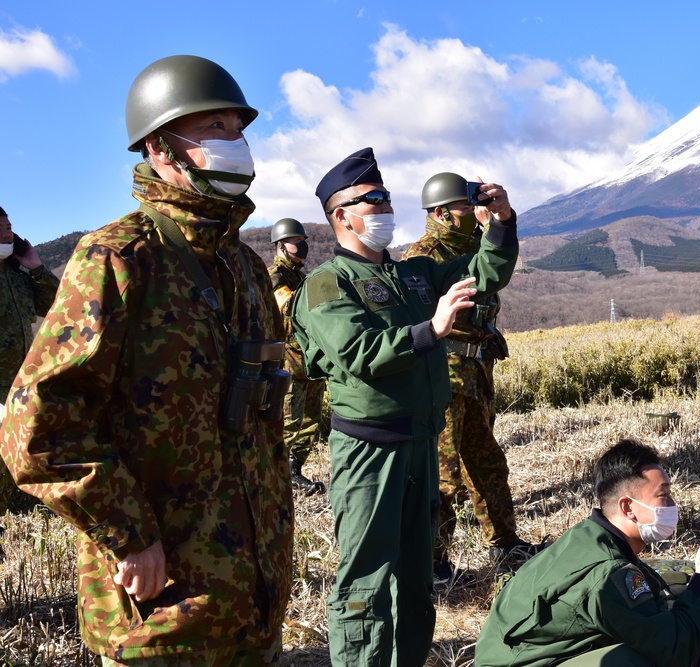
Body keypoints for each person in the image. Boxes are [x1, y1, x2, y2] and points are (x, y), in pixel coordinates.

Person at [0, 55, 293, 664]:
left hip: (253, 604)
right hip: (162, 620)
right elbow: (35, 426)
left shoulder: (245, 267)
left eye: (238, 130)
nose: (235, 144)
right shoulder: (117, 259)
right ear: (162, 147)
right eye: (215, 129)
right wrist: (128, 533)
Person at [291, 147, 519, 667]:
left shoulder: (414, 273)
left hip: (420, 441)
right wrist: (430, 329)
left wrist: (501, 221)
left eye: (386, 196)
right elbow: (358, 352)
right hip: (371, 451)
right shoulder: (327, 282)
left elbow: (486, 271)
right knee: (367, 577)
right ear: (341, 216)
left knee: (416, 576)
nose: (383, 206)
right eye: (369, 199)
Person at [475, 438, 700, 667]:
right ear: (628, 507)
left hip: (512, 654)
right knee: (636, 661)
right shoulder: (608, 575)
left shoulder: (587, 534)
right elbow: (679, 652)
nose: (673, 505)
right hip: (517, 662)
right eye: (664, 495)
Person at [402, 172, 541, 583]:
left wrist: (497, 221)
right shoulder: (422, 256)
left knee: (487, 463)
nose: (473, 211)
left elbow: (494, 270)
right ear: (442, 214)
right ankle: (434, 562)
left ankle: (504, 541)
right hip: (443, 376)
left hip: (477, 372)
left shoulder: (476, 246)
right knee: (442, 474)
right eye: (465, 206)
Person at [0, 205, 59, 513]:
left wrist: (36, 268)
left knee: (23, 452)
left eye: (8, 227)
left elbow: (57, 309)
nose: (6, 233)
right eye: (0, 229)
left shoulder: (18, 275)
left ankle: (21, 511)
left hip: (19, 385)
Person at [269, 217, 327, 495]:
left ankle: (294, 471)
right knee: (289, 421)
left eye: (304, 242)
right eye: (296, 242)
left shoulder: (303, 278)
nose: (301, 247)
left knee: (310, 421)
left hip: (309, 361)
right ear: (280, 245)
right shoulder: (275, 277)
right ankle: (279, 474)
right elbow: (290, 307)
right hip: (289, 362)